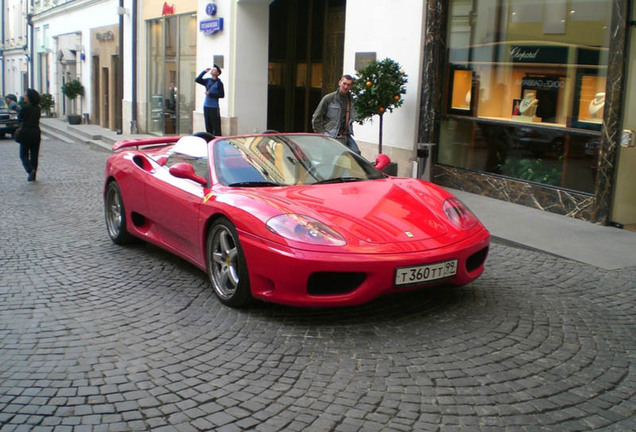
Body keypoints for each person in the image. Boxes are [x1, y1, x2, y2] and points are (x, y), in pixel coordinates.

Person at [311, 74, 361, 155]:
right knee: (332, 158)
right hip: (331, 135)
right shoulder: (329, 98)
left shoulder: (351, 100)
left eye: (348, 85)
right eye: (344, 83)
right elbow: (316, 117)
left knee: (356, 154)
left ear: (351, 86)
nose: (345, 87)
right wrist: (322, 134)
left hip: (345, 135)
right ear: (339, 83)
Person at [17, 89, 42, 182]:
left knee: (23, 154)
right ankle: (34, 173)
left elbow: (19, 118)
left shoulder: (25, 108)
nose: (24, 97)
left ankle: (30, 169)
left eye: (26, 95)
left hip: (26, 132)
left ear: (29, 97)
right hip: (36, 132)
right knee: (34, 154)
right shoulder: (38, 108)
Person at [195, 65, 225, 136]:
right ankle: (209, 140)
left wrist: (210, 94)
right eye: (212, 69)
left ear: (217, 73)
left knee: (216, 126)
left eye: (214, 70)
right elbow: (197, 80)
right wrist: (204, 72)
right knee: (208, 126)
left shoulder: (219, 83)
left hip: (214, 107)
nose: (212, 70)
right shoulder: (208, 80)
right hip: (206, 106)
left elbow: (222, 95)